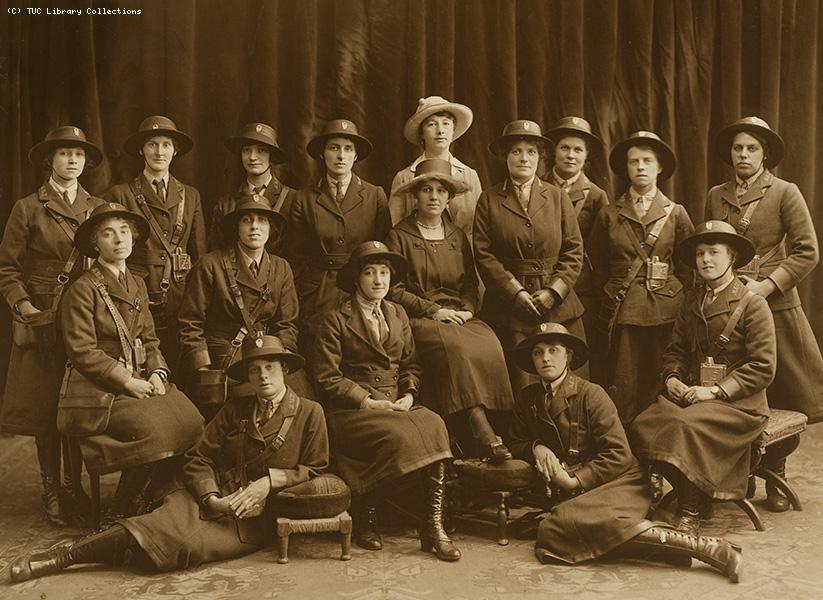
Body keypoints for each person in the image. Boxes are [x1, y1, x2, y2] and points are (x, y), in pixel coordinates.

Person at [9, 335, 329, 582]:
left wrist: (267, 484)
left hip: (251, 522)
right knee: (156, 525)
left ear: (284, 369)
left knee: (179, 546)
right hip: (210, 498)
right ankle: (63, 558)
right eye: (254, 370)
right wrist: (212, 497)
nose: (262, 377)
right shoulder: (237, 409)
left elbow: (316, 470)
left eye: (270, 368)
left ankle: (70, 556)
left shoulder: (309, 413)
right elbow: (199, 456)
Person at [509, 322, 743, 583]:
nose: (546, 358)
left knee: (560, 524)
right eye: (538, 352)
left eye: (554, 350)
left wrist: (574, 481)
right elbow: (515, 441)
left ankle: (704, 548)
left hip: (618, 480)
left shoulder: (591, 394)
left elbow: (619, 454)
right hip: (583, 488)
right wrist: (536, 448)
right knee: (557, 529)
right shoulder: (528, 398)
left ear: (569, 356)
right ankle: (661, 549)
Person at [311, 241, 460, 561]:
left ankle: (431, 525)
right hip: (353, 411)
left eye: (384, 272)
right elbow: (327, 377)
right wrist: (366, 401)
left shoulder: (398, 313)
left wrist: (409, 395)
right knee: (398, 435)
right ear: (355, 278)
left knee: (435, 424)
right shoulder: (335, 317)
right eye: (369, 273)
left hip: (396, 404)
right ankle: (367, 513)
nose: (378, 280)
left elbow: (411, 365)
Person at [705, 116, 823, 511]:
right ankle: (737, 474)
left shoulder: (785, 192)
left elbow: (807, 251)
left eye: (751, 148)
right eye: (738, 148)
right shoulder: (716, 195)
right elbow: (712, 249)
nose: (743, 154)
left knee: (784, 393)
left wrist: (767, 285)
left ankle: (777, 470)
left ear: (765, 154)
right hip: (727, 306)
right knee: (736, 388)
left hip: (775, 305)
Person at [58, 202, 204, 519]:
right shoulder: (82, 289)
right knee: (157, 427)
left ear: (134, 238)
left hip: (139, 381)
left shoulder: (136, 282)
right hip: (99, 392)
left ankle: (151, 494)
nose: (119, 239)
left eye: (124, 231)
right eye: (108, 233)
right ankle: (124, 506)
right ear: (95, 243)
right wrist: (127, 382)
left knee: (192, 421)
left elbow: (149, 338)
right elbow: (82, 351)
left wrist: (158, 375)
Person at [631, 221, 775, 536]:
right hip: (696, 396)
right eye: (699, 253)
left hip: (741, 405)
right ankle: (689, 491)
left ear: (732, 257)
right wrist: (672, 378)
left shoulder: (753, 303)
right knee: (644, 421)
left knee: (685, 426)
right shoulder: (692, 300)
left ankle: (691, 509)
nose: (705, 260)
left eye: (714, 252)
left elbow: (764, 366)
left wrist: (716, 391)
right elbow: (676, 351)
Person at [0, 126, 106, 526]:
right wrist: (23, 305)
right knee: (47, 409)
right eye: (64, 154)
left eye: (78, 155)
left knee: (77, 404)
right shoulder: (28, 207)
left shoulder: (99, 207)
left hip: (86, 316)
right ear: (51, 161)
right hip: (43, 316)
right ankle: (51, 488)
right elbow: (7, 268)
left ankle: (73, 486)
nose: (72, 161)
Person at [385, 159, 514, 462]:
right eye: (426, 190)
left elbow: (470, 284)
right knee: (456, 347)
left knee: (490, 344)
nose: (433, 196)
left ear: (449, 197)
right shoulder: (399, 236)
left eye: (440, 191)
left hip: (460, 315)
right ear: (415, 196)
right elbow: (393, 289)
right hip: (420, 318)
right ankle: (479, 425)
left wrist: (468, 309)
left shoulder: (457, 236)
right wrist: (432, 310)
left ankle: (503, 425)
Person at [588, 131, 694, 426]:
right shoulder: (609, 214)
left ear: (659, 167)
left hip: (667, 310)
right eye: (634, 161)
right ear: (626, 168)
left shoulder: (676, 214)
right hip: (624, 310)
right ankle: (628, 450)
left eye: (648, 161)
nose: (641, 167)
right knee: (625, 383)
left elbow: (688, 266)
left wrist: (673, 294)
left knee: (664, 378)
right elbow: (597, 264)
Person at [473, 120, 585, 395]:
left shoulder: (557, 197)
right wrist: (515, 292)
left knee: (570, 387)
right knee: (521, 385)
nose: (524, 158)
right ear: (505, 157)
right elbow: (484, 255)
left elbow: (574, 251)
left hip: (558, 305)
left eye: (531, 152)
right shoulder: (489, 200)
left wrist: (554, 292)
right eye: (516, 152)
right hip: (509, 308)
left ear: (540, 158)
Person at [178, 193, 311, 421]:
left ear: (271, 228)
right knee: (242, 405)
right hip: (224, 355)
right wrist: (203, 368)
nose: (254, 227)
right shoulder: (211, 264)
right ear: (236, 227)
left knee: (305, 402)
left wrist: (281, 359)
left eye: (262, 220)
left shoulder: (281, 268)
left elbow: (287, 323)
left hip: (270, 352)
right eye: (246, 220)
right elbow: (190, 323)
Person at [104, 115, 207, 366]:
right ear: (141, 150)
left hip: (180, 295)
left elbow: (200, 251)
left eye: (166, 145)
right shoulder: (121, 193)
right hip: (136, 289)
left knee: (181, 365)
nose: (159, 152)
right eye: (152, 144)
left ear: (175, 151)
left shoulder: (190, 195)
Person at [287, 119, 391, 343]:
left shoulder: (375, 195)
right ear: (323, 154)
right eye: (334, 148)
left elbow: (383, 252)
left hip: (361, 288)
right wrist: (300, 295)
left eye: (348, 149)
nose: (341, 156)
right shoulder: (303, 198)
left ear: (355, 156)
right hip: (317, 291)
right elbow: (295, 256)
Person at [545, 116, 611, 384]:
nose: (570, 155)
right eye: (565, 148)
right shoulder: (538, 186)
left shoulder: (596, 196)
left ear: (586, 156)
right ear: (554, 151)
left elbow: (601, 250)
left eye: (578, 150)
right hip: (543, 281)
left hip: (581, 288)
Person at [388, 96, 482, 236]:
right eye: (432, 124)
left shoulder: (469, 176)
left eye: (446, 124)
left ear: (453, 130)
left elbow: (480, 229)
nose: (440, 131)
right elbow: (394, 227)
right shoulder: (405, 177)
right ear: (422, 133)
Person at [210, 122, 294, 254]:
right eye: (246, 150)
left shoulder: (292, 200)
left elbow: (299, 255)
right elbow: (215, 253)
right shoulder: (226, 204)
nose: (253, 157)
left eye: (261, 150)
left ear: (271, 155)